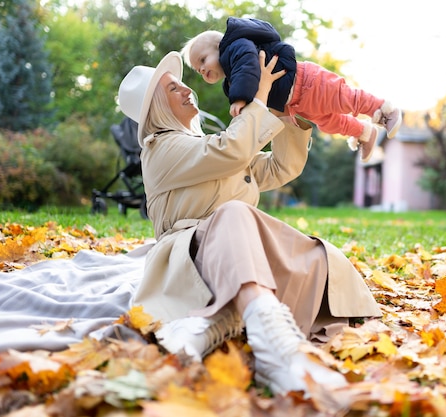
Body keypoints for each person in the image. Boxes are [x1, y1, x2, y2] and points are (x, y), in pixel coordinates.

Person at [117, 50, 382, 396]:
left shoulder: (205, 145)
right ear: (157, 109)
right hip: (190, 258)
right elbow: (231, 150)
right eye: (172, 90)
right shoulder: (159, 148)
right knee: (234, 214)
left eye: (183, 83)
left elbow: (278, 168)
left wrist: (290, 110)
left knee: (317, 256)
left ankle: (223, 319)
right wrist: (258, 97)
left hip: (237, 248)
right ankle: (277, 347)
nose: (187, 91)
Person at [180, 16, 402, 163]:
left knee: (345, 98)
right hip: (296, 102)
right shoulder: (231, 80)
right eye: (198, 69)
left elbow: (248, 67)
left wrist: (238, 99)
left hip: (307, 81)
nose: (201, 69)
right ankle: (364, 132)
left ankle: (384, 109)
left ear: (219, 46)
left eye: (202, 60)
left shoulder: (236, 49)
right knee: (328, 122)